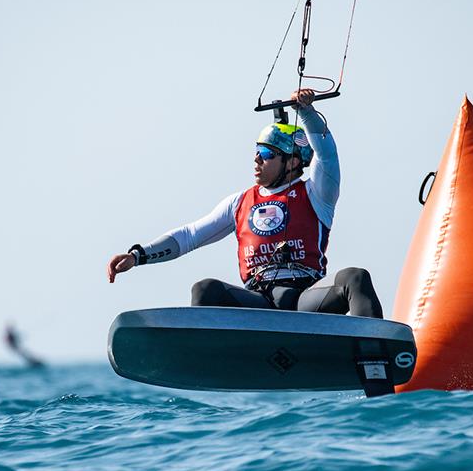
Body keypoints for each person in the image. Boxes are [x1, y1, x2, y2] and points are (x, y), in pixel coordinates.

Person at [106, 88, 383, 318]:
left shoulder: (317, 192)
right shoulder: (239, 203)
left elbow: (327, 155)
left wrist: (307, 113)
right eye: (256, 152)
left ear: (293, 161)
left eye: (266, 153)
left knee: (355, 277)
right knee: (204, 289)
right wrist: (137, 255)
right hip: (258, 303)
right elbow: (190, 235)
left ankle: (371, 350)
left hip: (305, 301)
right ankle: (215, 362)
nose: (257, 159)